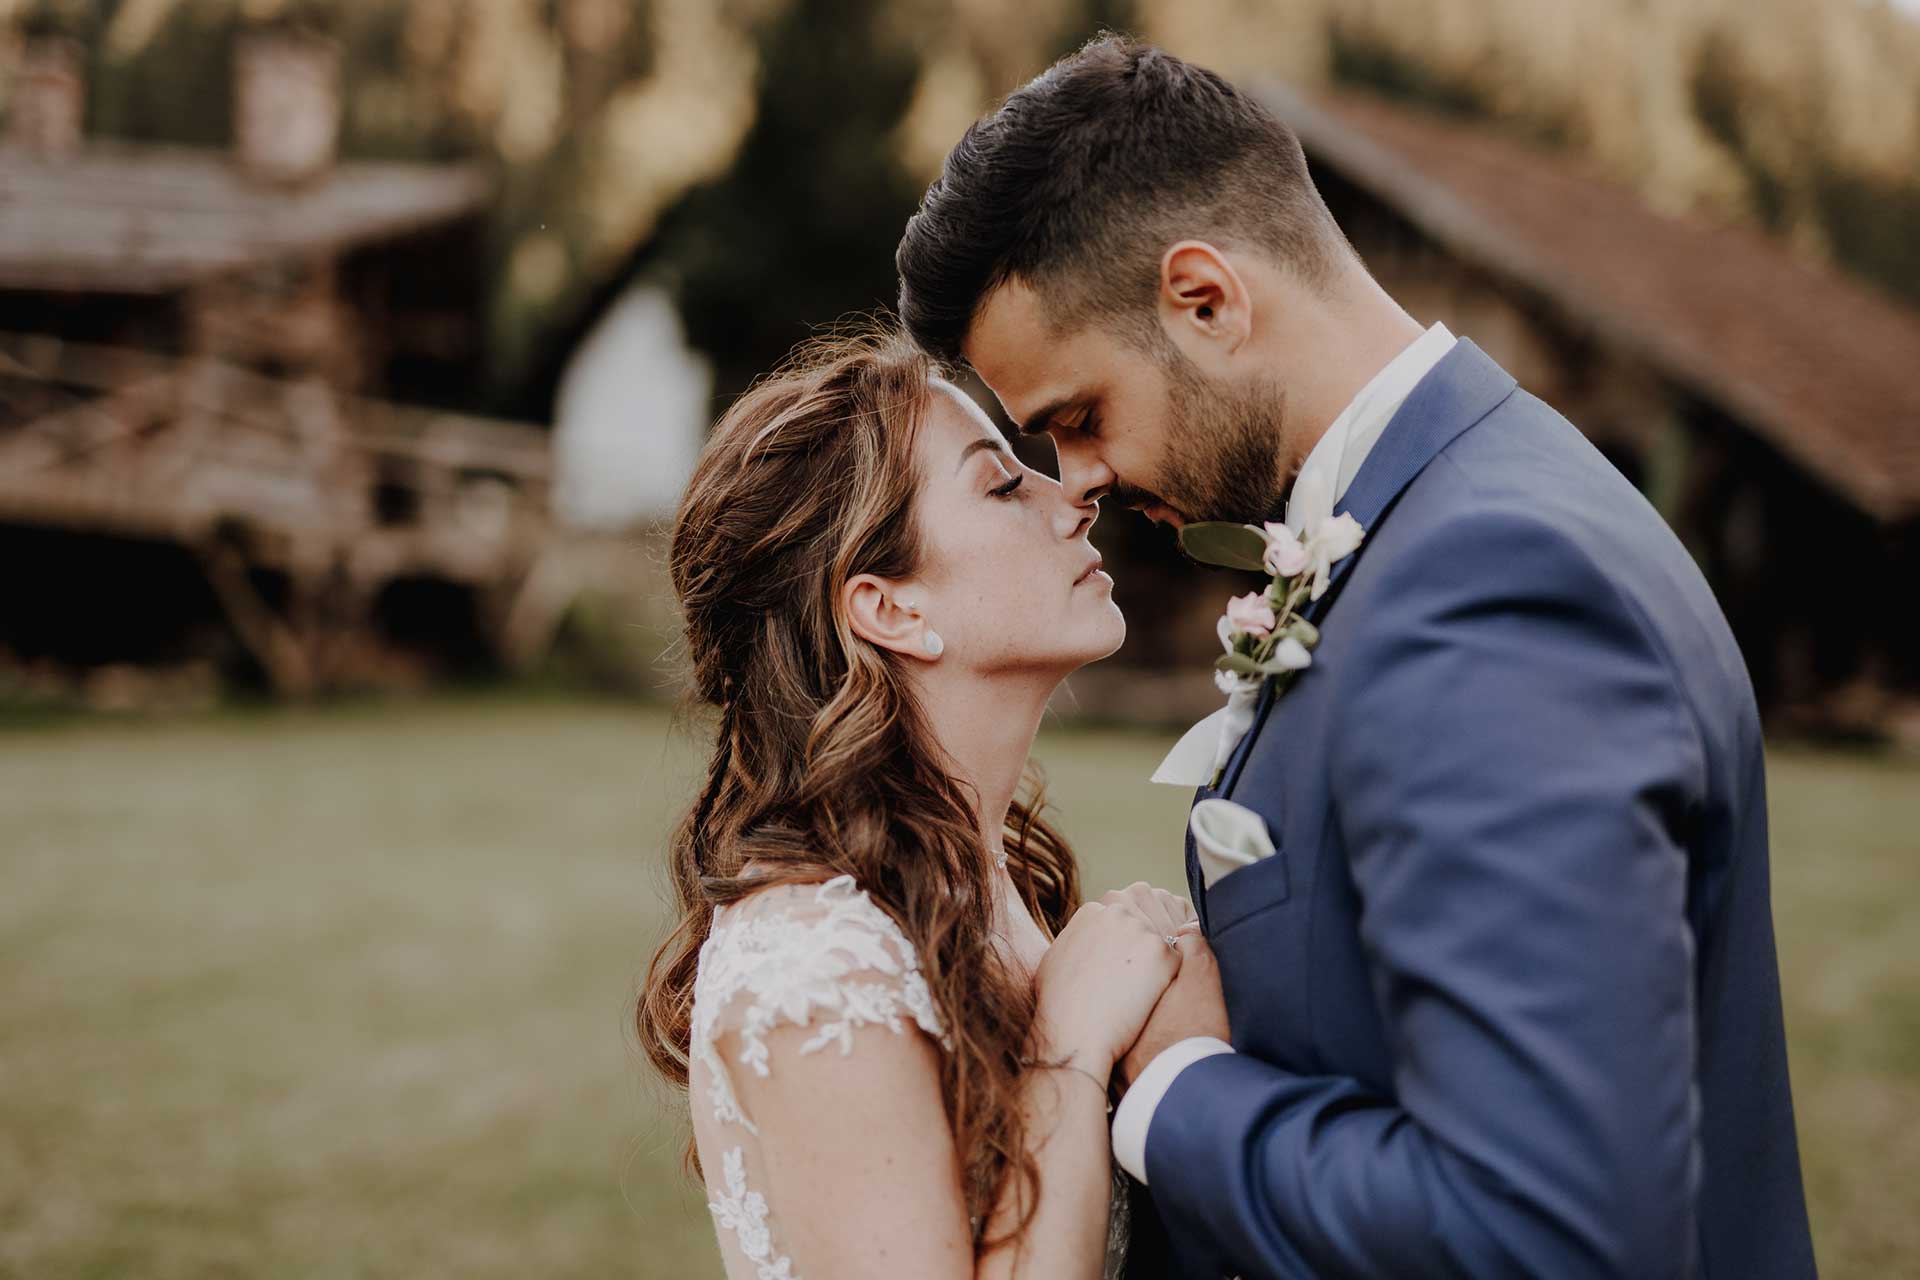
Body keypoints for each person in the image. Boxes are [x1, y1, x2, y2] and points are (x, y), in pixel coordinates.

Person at [894, 35, 1815, 1280]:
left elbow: (1549, 1229)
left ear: (1204, 299)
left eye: (1078, 416)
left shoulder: (1492, 581)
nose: (1083, 481)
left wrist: (1173, 1088)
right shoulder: (1446, 520)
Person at [637, 328, 1223, 1279]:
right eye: (1001, 483)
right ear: (890, 610)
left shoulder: (981, 887)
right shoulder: (816, 966)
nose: (1071, 495)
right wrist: (1070, 1045)